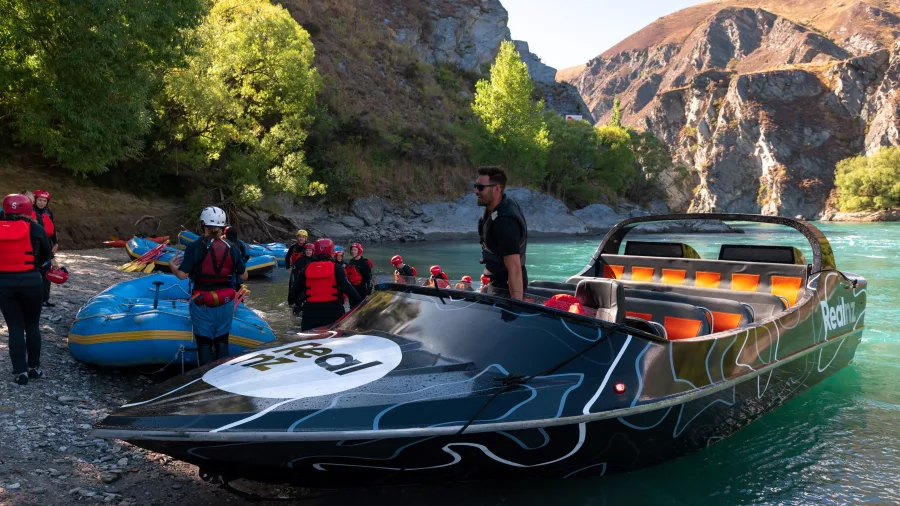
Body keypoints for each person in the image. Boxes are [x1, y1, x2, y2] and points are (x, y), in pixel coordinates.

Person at [169, 207, 248, 366]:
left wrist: (172, 266)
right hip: (225, 300)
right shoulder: (232, 247)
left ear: (203, 224)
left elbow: (183, 275)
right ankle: (222, 376)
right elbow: (244, 276)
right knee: (222, 341)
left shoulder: (195, 247)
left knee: (204, 343)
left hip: (202, 301)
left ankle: (205, 378)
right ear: (222, 225)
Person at [0, 194, 55, 385]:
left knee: (14, 327)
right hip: (32, 281)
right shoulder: (37, 229)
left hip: (4, 283)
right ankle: (34, 368)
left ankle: (20, 372)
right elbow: (47, 259)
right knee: (32, 325)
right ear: (27, 209)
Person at [474, 166, 528, 300]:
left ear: (497, 188)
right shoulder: (495, 208)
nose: (475, 191)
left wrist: (516, 307)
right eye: (475, 186)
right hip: (494, 282)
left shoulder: (505, 222)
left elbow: (515, 270)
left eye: (481, 187)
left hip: (506, 288)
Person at [290, 238, 361, 331]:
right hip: (333, 312)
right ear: (331, 251)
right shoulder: (337, 268)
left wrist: (298, 304)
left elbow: (293, 293)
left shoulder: (306, 268)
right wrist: (361, 303)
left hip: (310, 313)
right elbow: (349, 289)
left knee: (309, 342)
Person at [32, 190, 58, 307]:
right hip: (36, 245)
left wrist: (55, 242)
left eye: (44, 201)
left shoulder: (49, 212)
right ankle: (33, 299)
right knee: (34, 272)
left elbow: (53, 228)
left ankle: (45, 299)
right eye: (40, 200)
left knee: (46, 272)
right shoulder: (30, 211)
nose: (42, 203)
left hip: (47, 244)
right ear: (35, 200)